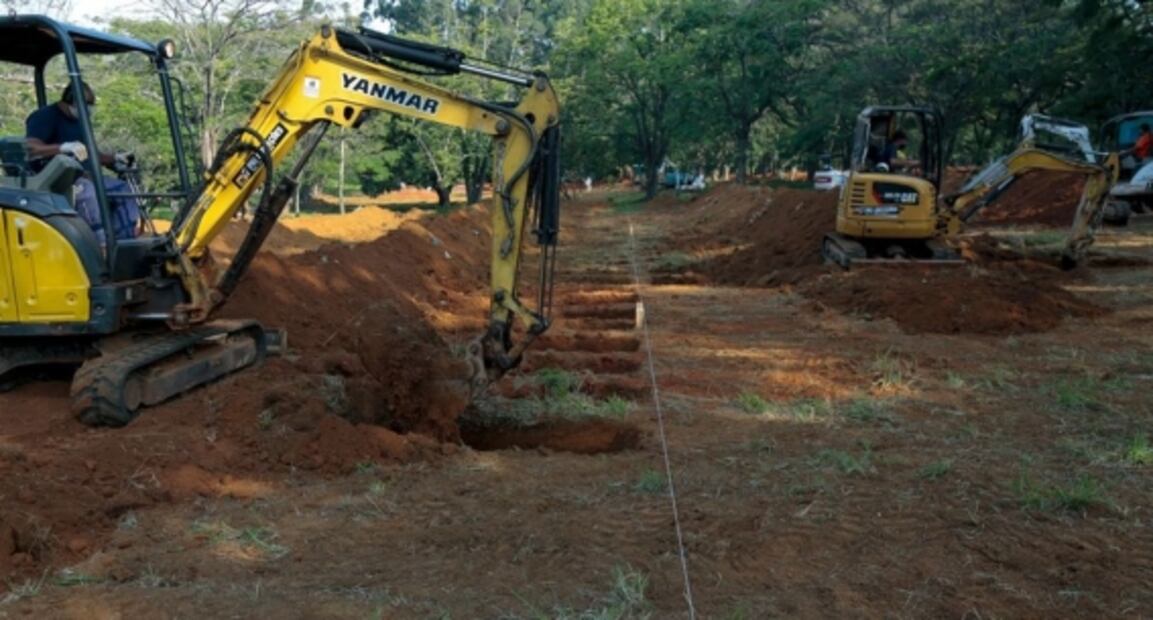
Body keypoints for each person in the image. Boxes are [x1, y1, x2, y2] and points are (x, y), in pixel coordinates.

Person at [25, 80, 140, 246]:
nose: (89, 108)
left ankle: (125, 243)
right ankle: (101, 246)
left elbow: (91, 154)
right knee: (88, 191)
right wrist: (62, 147)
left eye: (91, 105)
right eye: (86, 104)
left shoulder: (80, 121)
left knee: (122, 189)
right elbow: (31, 147)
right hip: (57, 180)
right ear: (70, 101)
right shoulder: (44, 116)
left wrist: (115, 158)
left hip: (86, 176)